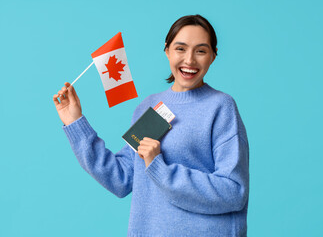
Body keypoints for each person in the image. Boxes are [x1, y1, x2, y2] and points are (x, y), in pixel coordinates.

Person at [53, 14, 249, 237]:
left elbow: (234, 192)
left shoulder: (220, 107)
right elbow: (121, 179)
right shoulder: (151, 107)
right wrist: (75, 123)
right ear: (167, 50)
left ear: (213, 56)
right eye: (180, 48)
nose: (190, 60)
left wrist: (160, 168)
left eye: (201, 51)